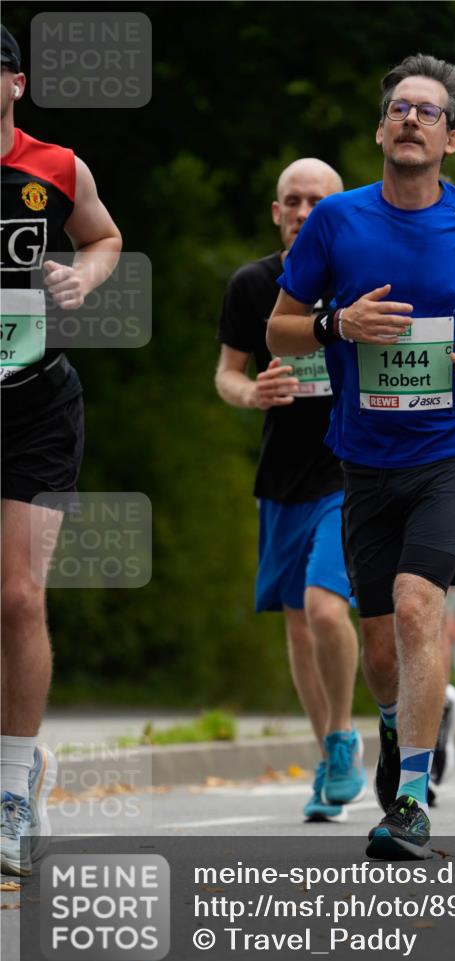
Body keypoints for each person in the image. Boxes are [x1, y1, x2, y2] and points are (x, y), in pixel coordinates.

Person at [268, 53, 455, 859]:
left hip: (452, 450)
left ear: (451, 137)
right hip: (364, 458)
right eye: (399, 109)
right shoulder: (336, 222)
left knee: (420, 603)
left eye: (428, 111)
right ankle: (397, 724)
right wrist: (333, 326)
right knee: (379, 644)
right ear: (381, 130)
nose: (411, 119)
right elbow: (278, 326)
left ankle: (409, 798)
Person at [0, 25, 122, 876]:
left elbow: (104, 238)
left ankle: (13, 784)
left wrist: (84, 276)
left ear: (15, 82)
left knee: (16, 598)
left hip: (35, 404)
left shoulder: (56, 166)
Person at [215, 158, 366, 822]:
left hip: (352, 473)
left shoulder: (363, 280)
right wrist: (252, 393)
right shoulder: (252, 285)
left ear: (338, 214)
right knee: (301, 629)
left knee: (326, 608)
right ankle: (330, 753)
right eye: (291, 201)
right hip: (281, 478)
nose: (303, 212)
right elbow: (226, 373)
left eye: (316, 203)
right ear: (275, 212)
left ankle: (348, 736)